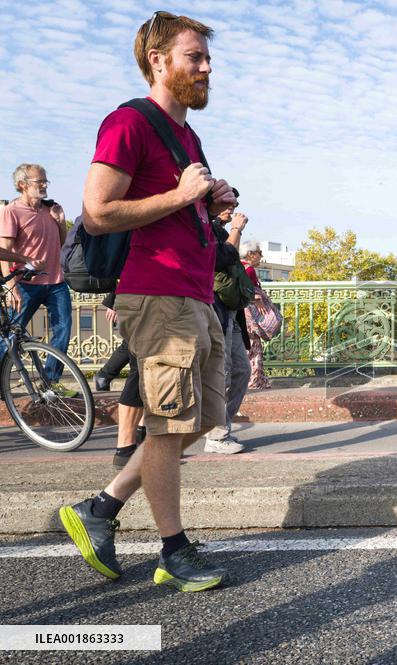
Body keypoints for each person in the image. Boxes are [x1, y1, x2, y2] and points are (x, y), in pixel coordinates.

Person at [59, 11, 236, 592]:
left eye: (207, 59)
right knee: (167, 425)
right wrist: (181, 192)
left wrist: (206, 203)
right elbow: (97, 211)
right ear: (158, 61)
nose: (207, 67)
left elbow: (175, 202)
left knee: (200, 420)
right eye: (195, 57)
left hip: (193, 292)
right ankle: (173, 550)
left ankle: (101, 511)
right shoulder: (129, 122)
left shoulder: (187, 135)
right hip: (154, 291)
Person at [0, 164, 72, 383]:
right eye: (39, 181)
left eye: (45, 181)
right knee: (11, 336)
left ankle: (51, 383)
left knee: (63, 330)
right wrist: (12, 289)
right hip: (25, 284)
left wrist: (60, 221)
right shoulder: (11, 211)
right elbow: (4, 252)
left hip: (56, 281)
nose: (44, 185)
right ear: (22, 185)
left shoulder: (51, 208)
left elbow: (62, 242)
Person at [203, 203, 251, 454]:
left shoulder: (218, 230)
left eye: (233, 206)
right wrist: (237, 230)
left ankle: (220, 425)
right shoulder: (203, 227)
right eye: (226, 205)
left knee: (242, 370)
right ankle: (216, 435)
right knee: (221, 372)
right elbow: (222, 258)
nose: (231, 210)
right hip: (214, 311)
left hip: (230, 313)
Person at [98, 292, 148, 470]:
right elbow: (123, 266)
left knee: (147, 370)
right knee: (140, 370)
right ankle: (125, 449)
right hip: (139, 299)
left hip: (157, 297)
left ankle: (142, 440)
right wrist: (113, 300)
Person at [241, 241, 271, 390]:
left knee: (245, 346)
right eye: (259, 252)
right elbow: (251, 291)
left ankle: (247, 378)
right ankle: (255, 380)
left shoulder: (237, 265)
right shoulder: (249, 269)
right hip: (250, 314)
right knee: (255, 346)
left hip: (239, 312)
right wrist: (256, 298)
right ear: (250, 254)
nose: (261, 256)